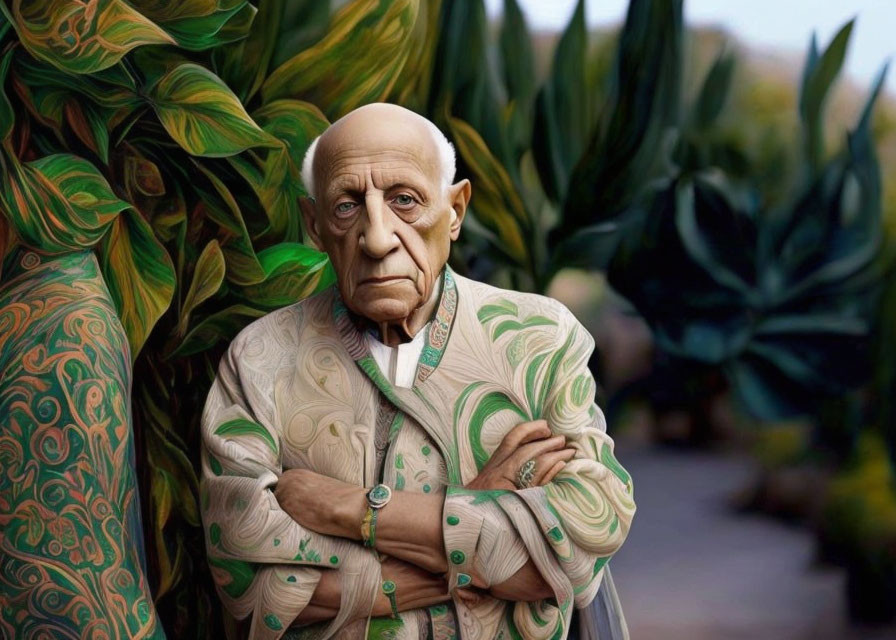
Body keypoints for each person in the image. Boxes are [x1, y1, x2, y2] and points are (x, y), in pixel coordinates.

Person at [200, 103, 635, 640]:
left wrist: (349, 510)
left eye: (405, 201)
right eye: (346, 207)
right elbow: (249, 584)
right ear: (314, 226)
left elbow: (584, 537)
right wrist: (480, 511)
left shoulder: (537, 341)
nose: (378, 237)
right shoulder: (260, 358)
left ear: (455, 210)